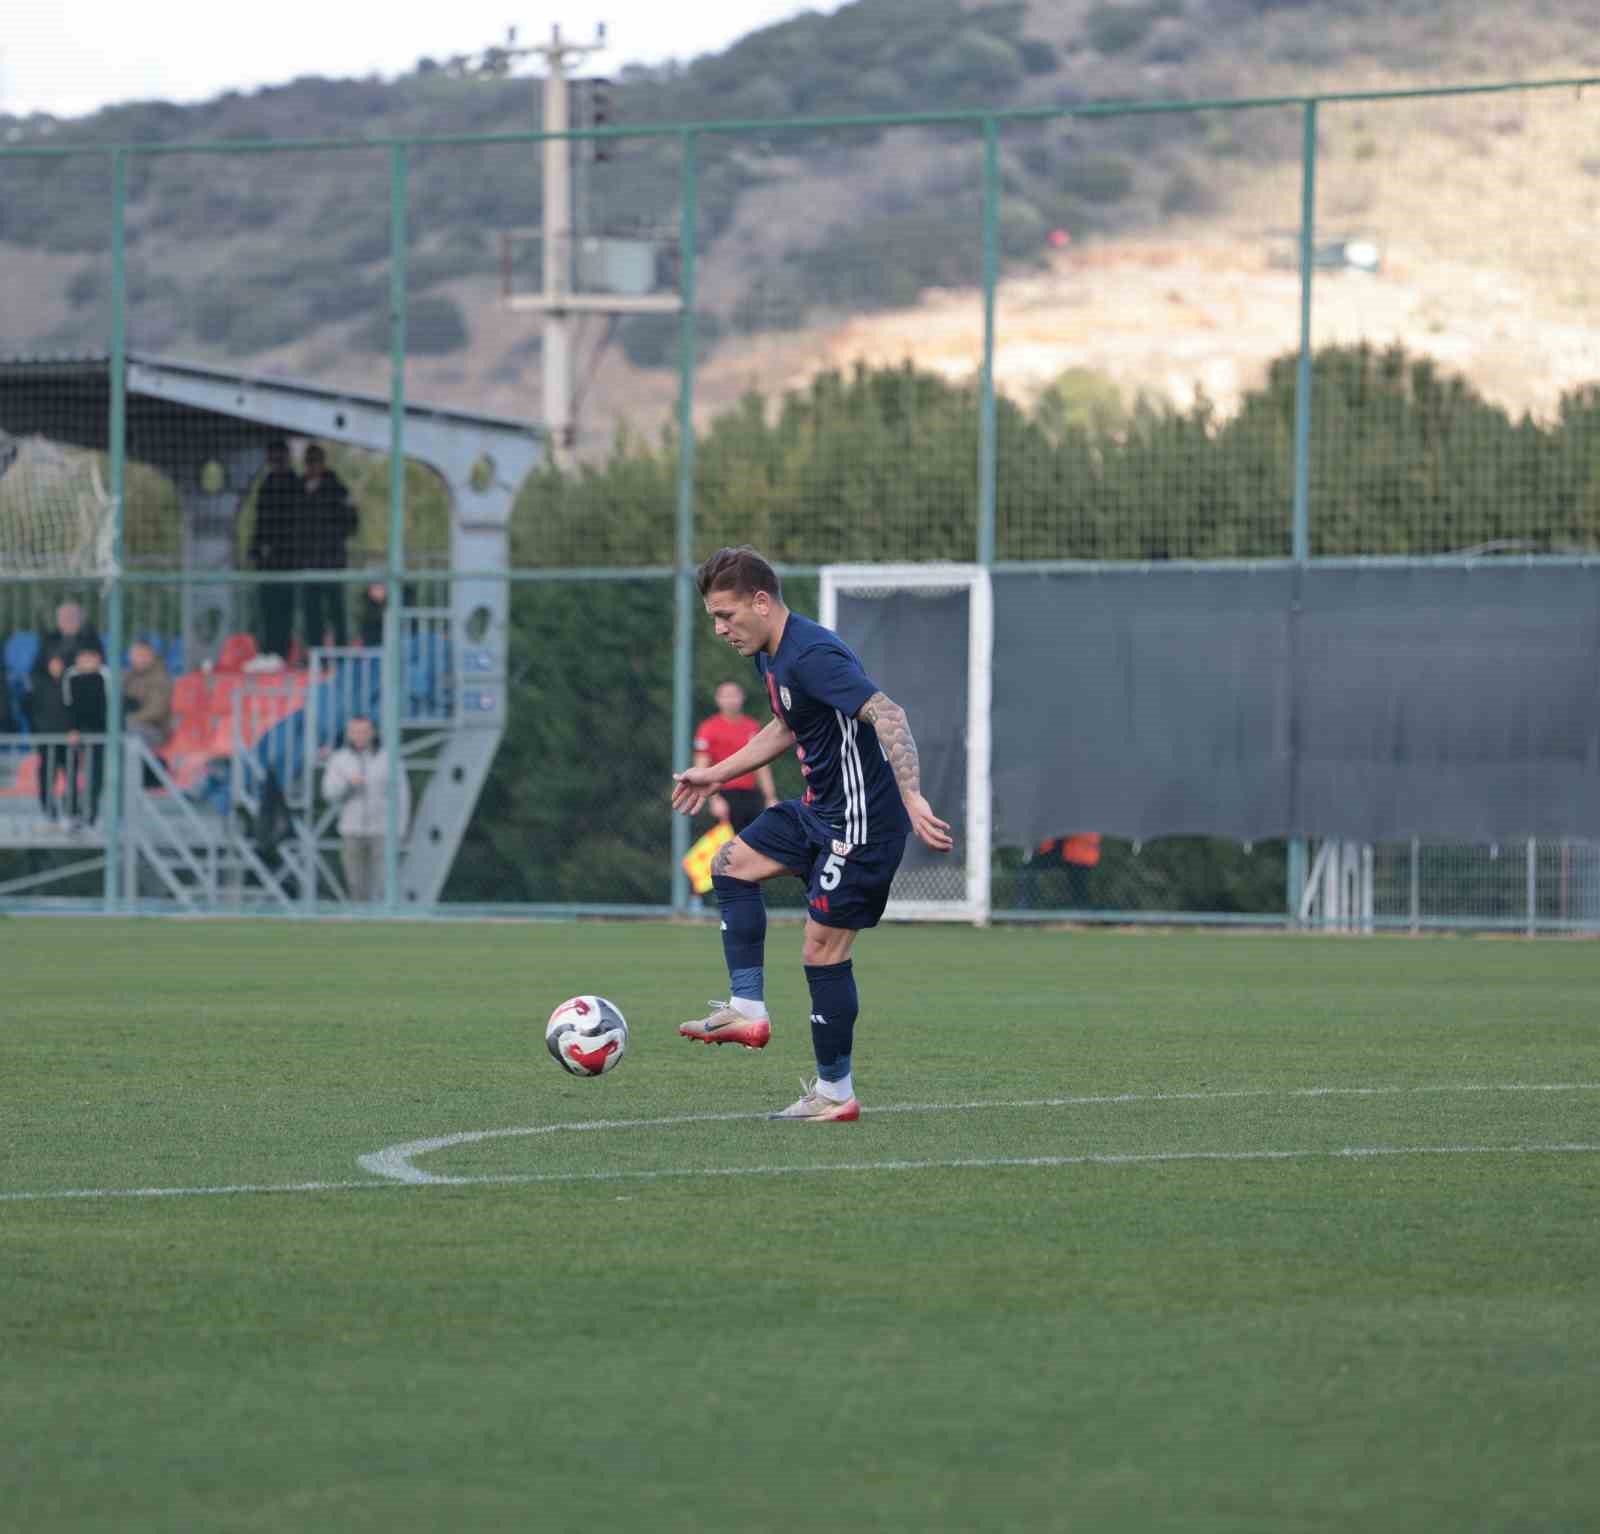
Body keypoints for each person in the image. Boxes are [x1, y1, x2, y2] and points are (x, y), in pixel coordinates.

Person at [670, 546, 953, 1122]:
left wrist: (913, 794)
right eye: (713, 619)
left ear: (761, 600)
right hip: (817, 810)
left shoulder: (811, 654)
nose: (721, 629)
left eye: (727, 615)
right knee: (729, 863)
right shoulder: (770, 657)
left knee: (821, 949)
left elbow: (888, 714)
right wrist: (716, 773)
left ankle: (834, 1092)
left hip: (862, 824)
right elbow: (784, 725)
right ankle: (747, 1007)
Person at [320, 713, 411, 904]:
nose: (359, 736)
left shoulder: (389, 759)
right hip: (352, 830)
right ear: (349, 734)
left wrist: (400, 828)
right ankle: (358, 922)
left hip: (383, 830)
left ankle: (385, 922)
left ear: (372, 733)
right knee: (355, 883)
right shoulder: (339, 760)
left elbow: (402, 796)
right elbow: (328, 792)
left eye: (364, 731)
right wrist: (349, 785)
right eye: (355, 732)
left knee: (383, 883)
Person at [693, 679, 779, 834]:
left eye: (734, 695)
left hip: (750, 796)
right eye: (726, 695)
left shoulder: (752, 727)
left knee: (753, 844)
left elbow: (762, 766)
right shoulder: (708, 728)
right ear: (718, 699)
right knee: (723, 850)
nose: (731, 700)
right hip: (723, 795)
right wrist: (714, 799)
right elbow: (702, 766)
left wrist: (770, 797)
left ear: (742, 697)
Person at [248, 439, 304, 662]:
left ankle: (280, 651)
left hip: (287, 557)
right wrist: (256, 548)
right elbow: (260, 521)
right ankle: (267, 650)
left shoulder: (293, 484)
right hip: (267, 559)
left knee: (284, 606)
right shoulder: (267, 483)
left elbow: (295, 521)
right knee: (267, 606)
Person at [299, 443, 359, 649]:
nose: (312, 466)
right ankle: (314, 652)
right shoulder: (299, 487)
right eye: (309, 462)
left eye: (316, 462)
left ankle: (341, 651)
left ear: (323, 463)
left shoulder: (337, 488)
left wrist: (334, 535)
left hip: (332, 559)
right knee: (311, 610)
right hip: (308, 560)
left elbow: (352, 523)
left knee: (336, 608)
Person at [64, 642, 108, 829]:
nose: (87, 662)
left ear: (98, 659)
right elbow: (67, 706)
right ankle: (72, 812)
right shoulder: (71, 677)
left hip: (100, 733)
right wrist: (71, 729)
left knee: (95, 775)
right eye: (83, 657)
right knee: (72, 772)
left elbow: (109, 707)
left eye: (91, 657)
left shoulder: (106, 676)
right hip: (75, 733)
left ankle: (92, 814)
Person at [31, 600, 103, 697]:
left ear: (81, 619)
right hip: (53, 690)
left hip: (83, 688)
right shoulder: (50, 640)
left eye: (72, 616)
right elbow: (36, 670)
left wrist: (87, 666)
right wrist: (50, 670)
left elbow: (99, 664)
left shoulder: (91, 639)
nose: (68, 620)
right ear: (58, 621)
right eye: (64, 617)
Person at [31, 652, 71, 823]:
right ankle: (49, 810)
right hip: (46, 738)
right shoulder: (39, 686)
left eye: (59, 662)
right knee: (47, 775)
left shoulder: (72, 684)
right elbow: (33, 712)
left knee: (72, 775)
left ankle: (73, 810)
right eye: (53, 662)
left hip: (69, 739)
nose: (56, 666)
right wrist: (41, 731)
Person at [123, 639, 173, 757]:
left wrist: (130, 719)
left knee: (129, 730)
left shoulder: (160, 677)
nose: (138, 659)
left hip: (155, 730)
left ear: (151, 656)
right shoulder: (128, 677)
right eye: (135, 655)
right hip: (135, 725)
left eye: (143, 655)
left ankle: (131, 774)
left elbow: (156, 711)